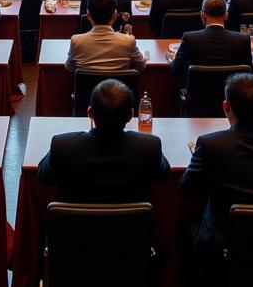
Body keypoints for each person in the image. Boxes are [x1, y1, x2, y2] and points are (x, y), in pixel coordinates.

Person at [180, 72, 253, 282]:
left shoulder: (211, 144)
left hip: (226, 249)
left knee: (185, 225)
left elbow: (187, 190)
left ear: (226, 107)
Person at [37, 79, 169, 203]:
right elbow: (163, 176)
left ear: (89, 113)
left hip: (75, 226)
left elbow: (44, 176)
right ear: (131, 115)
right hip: (132, 227)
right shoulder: (150, 147)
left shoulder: (62, 146)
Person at [65, 0, 146, 74]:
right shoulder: (128, 41)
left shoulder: (76, 41)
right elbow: (141, 66)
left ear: (88, 16)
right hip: (118, 87)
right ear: (114, 16)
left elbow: (69, 67)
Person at [170, 0, 252, 78]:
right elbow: (248, 73)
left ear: (202, 15)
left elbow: (175, 70)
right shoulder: (243, 40)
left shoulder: (189, 38)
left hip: (198, 90)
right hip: (231, 90)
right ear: (226, 16)